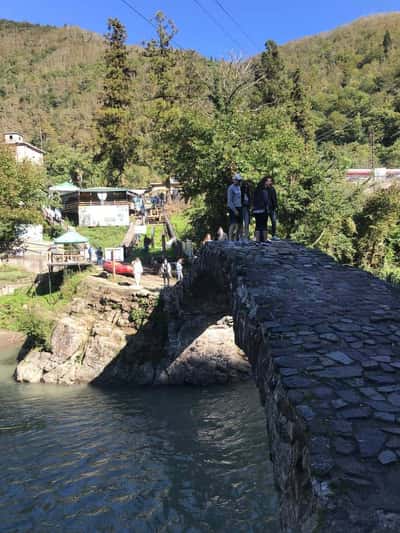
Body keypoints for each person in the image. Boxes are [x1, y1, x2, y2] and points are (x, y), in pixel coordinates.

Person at [252, 177, 269, 243]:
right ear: (265, 182)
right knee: (264, 225)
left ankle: (257, 240)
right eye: (267, 181)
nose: (268, 183)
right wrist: (267, 209)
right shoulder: (264, 191)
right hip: (262, 210)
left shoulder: (256, 190)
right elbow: (266, 201)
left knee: (258, 225)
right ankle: (264, 240)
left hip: (256, 210)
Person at [227, 173, 243, 241]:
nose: (238, 181)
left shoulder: (239, 187)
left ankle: (237, 238)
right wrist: (234, 210)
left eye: (239, 180)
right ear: (234, 180)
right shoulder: (231, 188)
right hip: (233, 207)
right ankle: (230, 239)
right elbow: (229, 201)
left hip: (240, 207)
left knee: (239, 224)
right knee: (233, 224)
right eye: (237, 180)